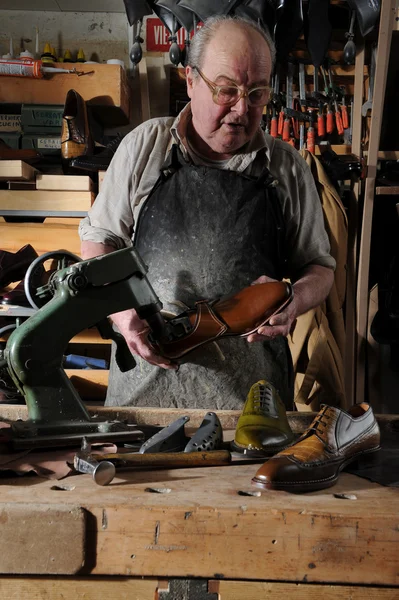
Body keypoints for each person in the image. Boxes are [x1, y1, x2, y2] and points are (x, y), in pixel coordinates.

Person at [79, 15, 335, 410]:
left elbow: (319, 269)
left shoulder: (285, 168)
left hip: (252, 396)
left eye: (256, 95)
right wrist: (122, 315)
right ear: (191, 80)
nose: (240, 110)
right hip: (145, 391)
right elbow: (99, 240)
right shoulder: (145, 148)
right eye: (226, 90)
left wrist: (295, 301)